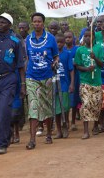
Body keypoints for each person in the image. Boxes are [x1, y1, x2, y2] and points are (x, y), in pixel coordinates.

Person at [0, 13, 25, 154]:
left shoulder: (15, 42)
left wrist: (22, 84)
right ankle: (8, 131)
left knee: (4, 110)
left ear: (9, 25)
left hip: (9, 79)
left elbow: (21, 65)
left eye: (3, 22)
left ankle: (2, 144)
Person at [25, 12, 59, 149]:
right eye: (35, 21)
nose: (37, 23)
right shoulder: (28, 39)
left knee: (46, 106)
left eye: (39, 21)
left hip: (47, 77)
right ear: (32, 23)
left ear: (43, 23)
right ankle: (32, 140)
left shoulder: (50, 39)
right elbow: (27, 58)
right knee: (33, 106)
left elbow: (56, 56)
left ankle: (49, 133)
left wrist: (55, 63)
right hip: (31, 77)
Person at [74, 29, 104, 139]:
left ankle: (95, 125)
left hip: (96, 82)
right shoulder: (80, 50)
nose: (87, 38)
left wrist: (95, 57)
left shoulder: (99, 48)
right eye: (85, 36)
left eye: (89, 36)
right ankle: (86, 131)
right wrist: (87, 69)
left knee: (96, 104)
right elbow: (77, 66)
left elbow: (102, 64)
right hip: (85, 82)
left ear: (93, 37)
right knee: (86, 104)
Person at [54, 33, 74, 139]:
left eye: (61, 42)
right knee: (56, 109)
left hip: (64, 84)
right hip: (54, 85)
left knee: (65, 108)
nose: (59, 44)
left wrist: (71, 83)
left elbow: (71, 70)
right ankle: (58, 130)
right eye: (57, 42)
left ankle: (65, 126)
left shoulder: (67, 54)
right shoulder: (51, 55)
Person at [64, 30, 81, 131]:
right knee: (65, 99)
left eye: (70, 37)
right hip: (65, 76)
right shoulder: (62, 50)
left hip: (76, 76)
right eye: (66, 37)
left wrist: (76, 63)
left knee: (74, 99)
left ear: (73, 38)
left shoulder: (77, 49)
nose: (67, 39)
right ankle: (65, 121)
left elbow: (80, 61)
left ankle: (73, 122)